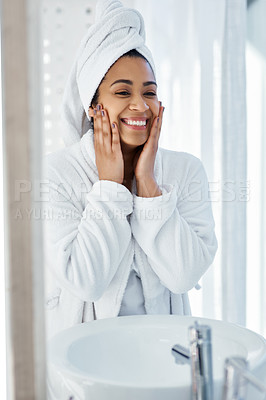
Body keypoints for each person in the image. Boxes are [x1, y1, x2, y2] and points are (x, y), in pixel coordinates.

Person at [44, 0, 217, 339]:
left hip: (162, 356)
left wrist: (148, 185)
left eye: (149, 92)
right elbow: (85, 281)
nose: (141, 105)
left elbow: (183, 275)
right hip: (85, 363)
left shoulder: (186, 171)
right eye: (123, 91)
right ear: (94, 106)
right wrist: (109, 187)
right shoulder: (56, 174)